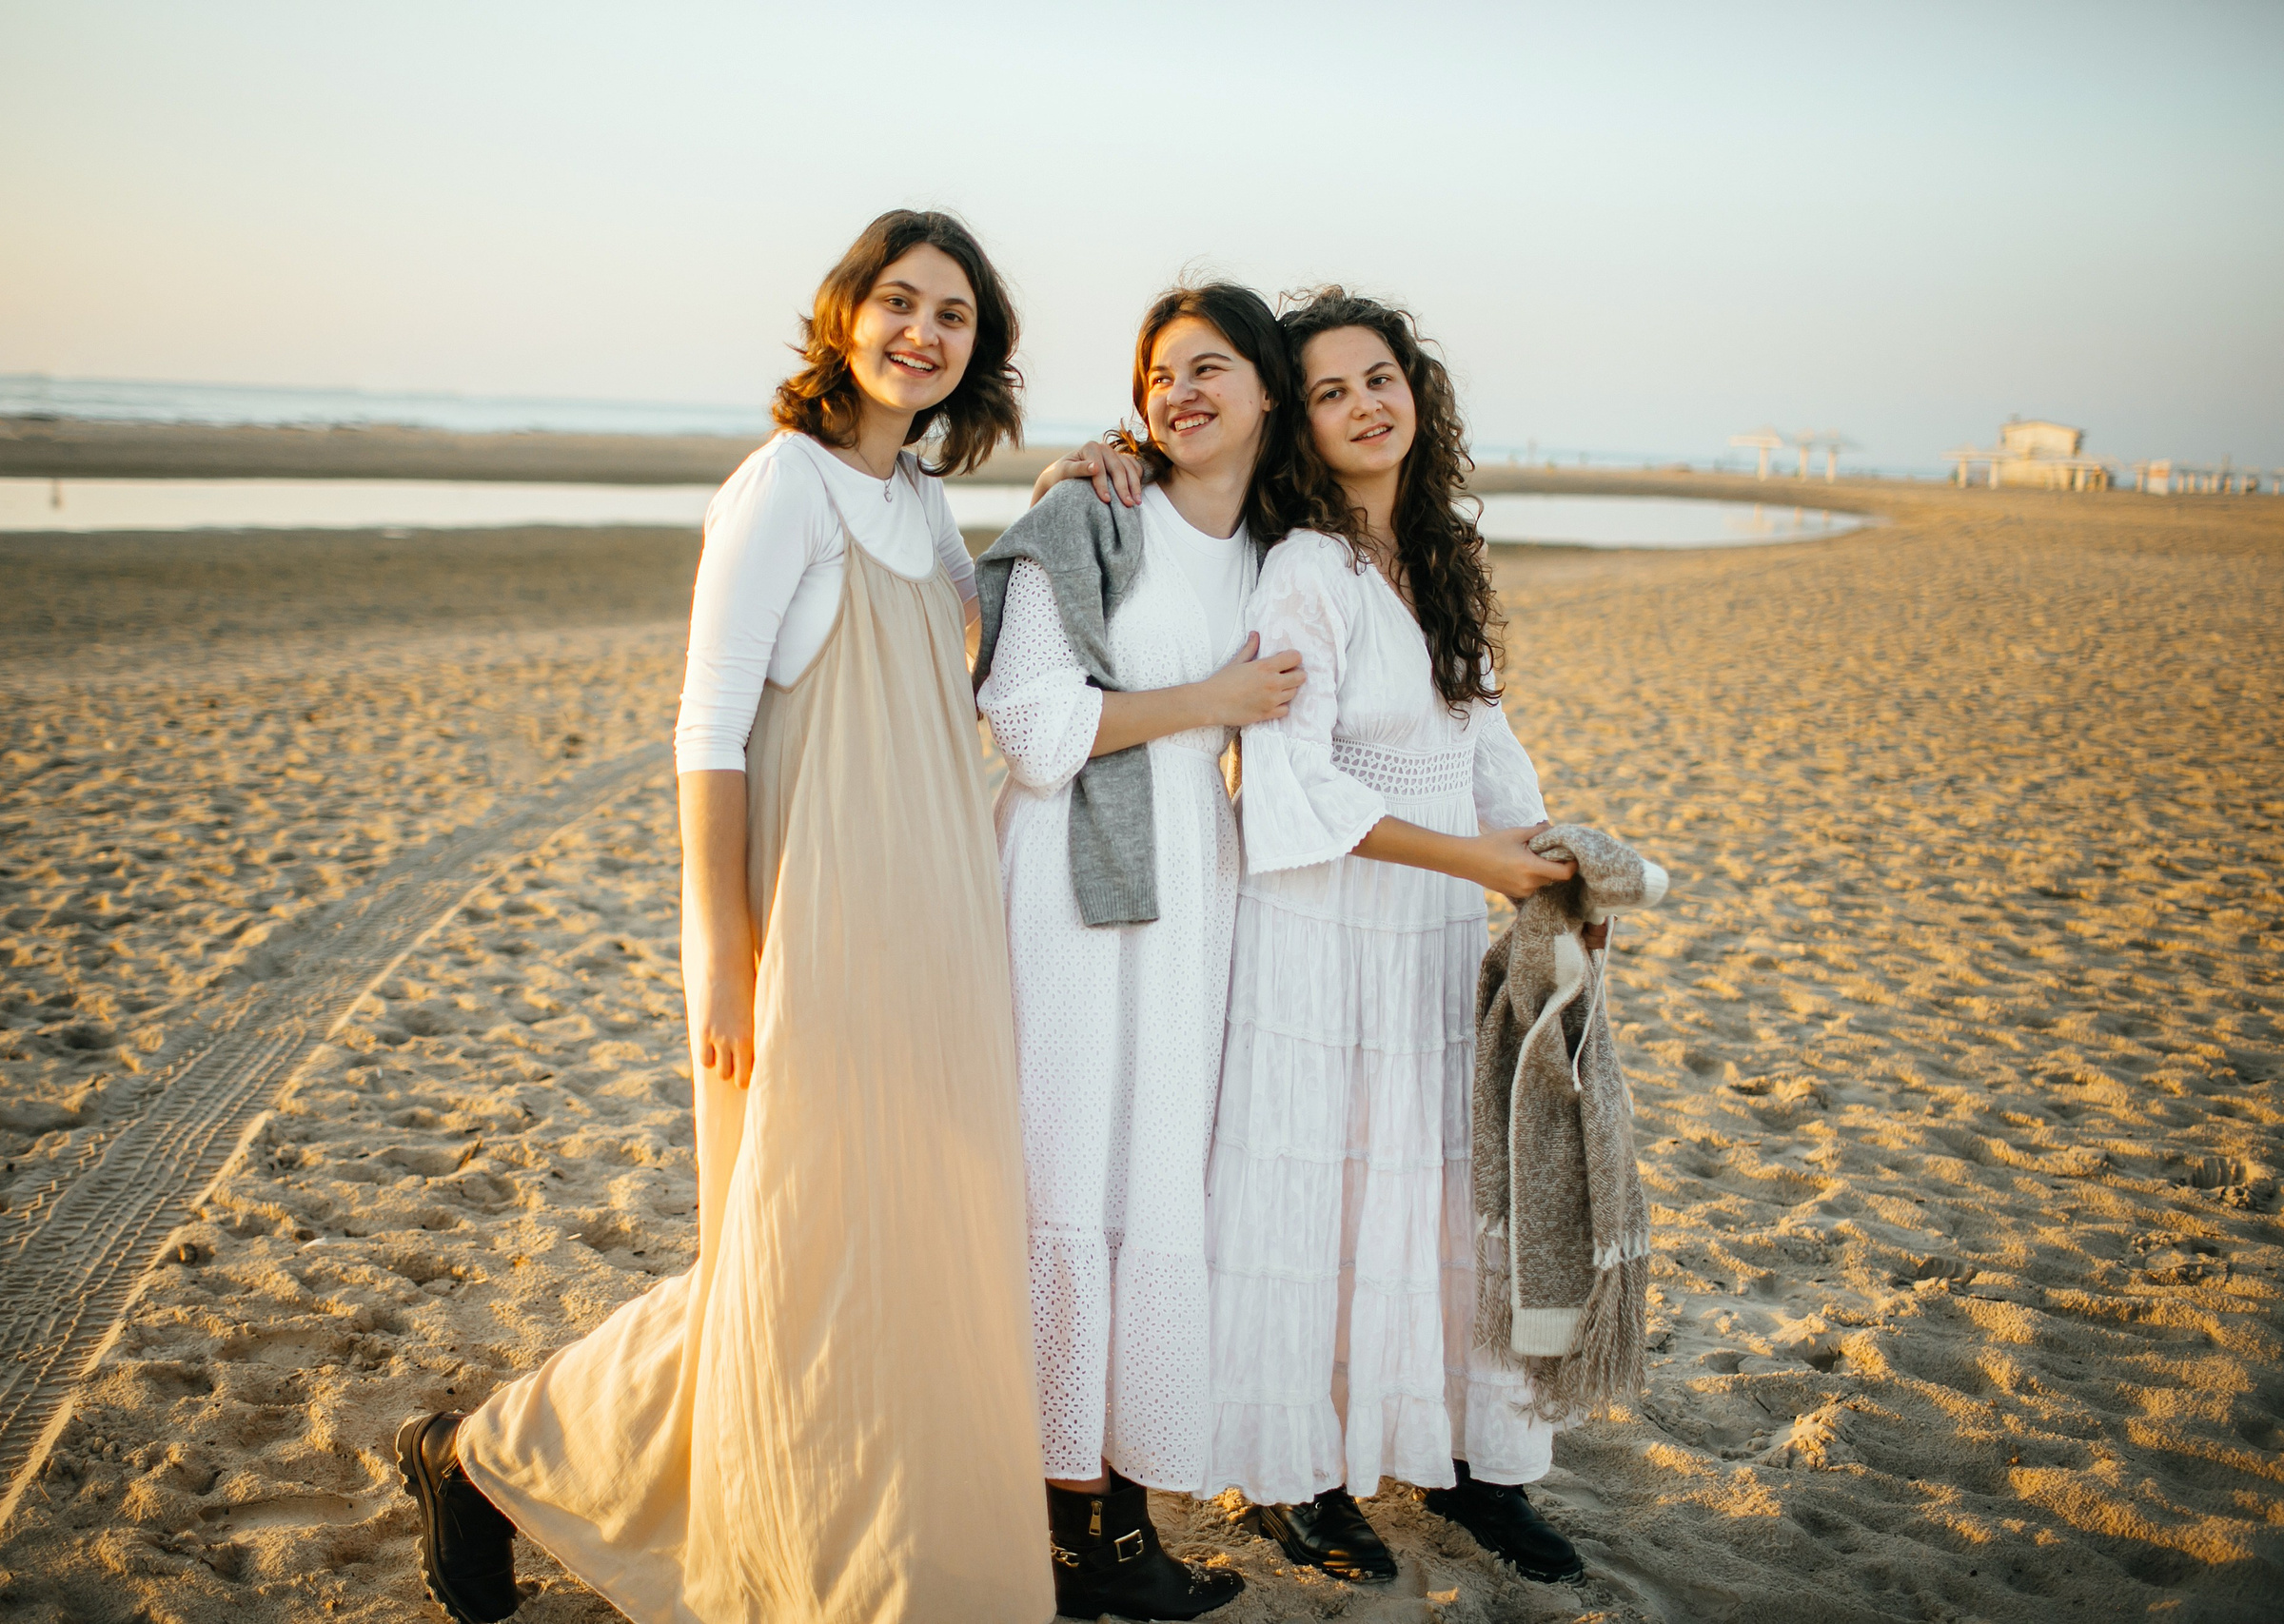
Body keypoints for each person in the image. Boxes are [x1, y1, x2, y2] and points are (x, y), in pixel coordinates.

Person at [395, 210, 1053, 1624]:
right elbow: (707, 731)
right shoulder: (784, 489)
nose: (922, 332)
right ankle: (484, 1453)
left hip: (936, 930)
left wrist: (1072, 495)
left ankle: (891, 1556)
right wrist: (724, 954)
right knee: (797, 1255)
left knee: (902, 1246)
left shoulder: (924, 506)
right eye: (899, 301)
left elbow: (974, 686)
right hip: (815, 932)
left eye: (953, 316)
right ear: (843, 314)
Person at [1203, 288, 1599, 1586]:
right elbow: (1293, 782)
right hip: (1324, 929)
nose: (1367, 404)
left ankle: (1481, 1469)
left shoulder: (1435, 556)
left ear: (1415, 391)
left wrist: (1542, 857)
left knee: (1449, 1190)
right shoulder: (1303, 571)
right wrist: (1474, 860)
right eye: (1329, 391)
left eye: (1382, 378)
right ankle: (1291, 1480)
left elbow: (1478, 736)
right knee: (1318, 1191)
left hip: (1435, 930)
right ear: (1298, 426)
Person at [975, 284, 1301, 1620]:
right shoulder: (1090, 516)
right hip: (1067, 878)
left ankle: (1119, 1513)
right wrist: (1207, 704)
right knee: (1067, 1165)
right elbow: (1038, 729)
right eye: (1160, 372)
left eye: (1211, 367)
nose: (1180, 393)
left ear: (1267, 394)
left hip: (1196, 884)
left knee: (1156, 1169)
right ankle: (1067, 1528)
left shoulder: (1282, 550)